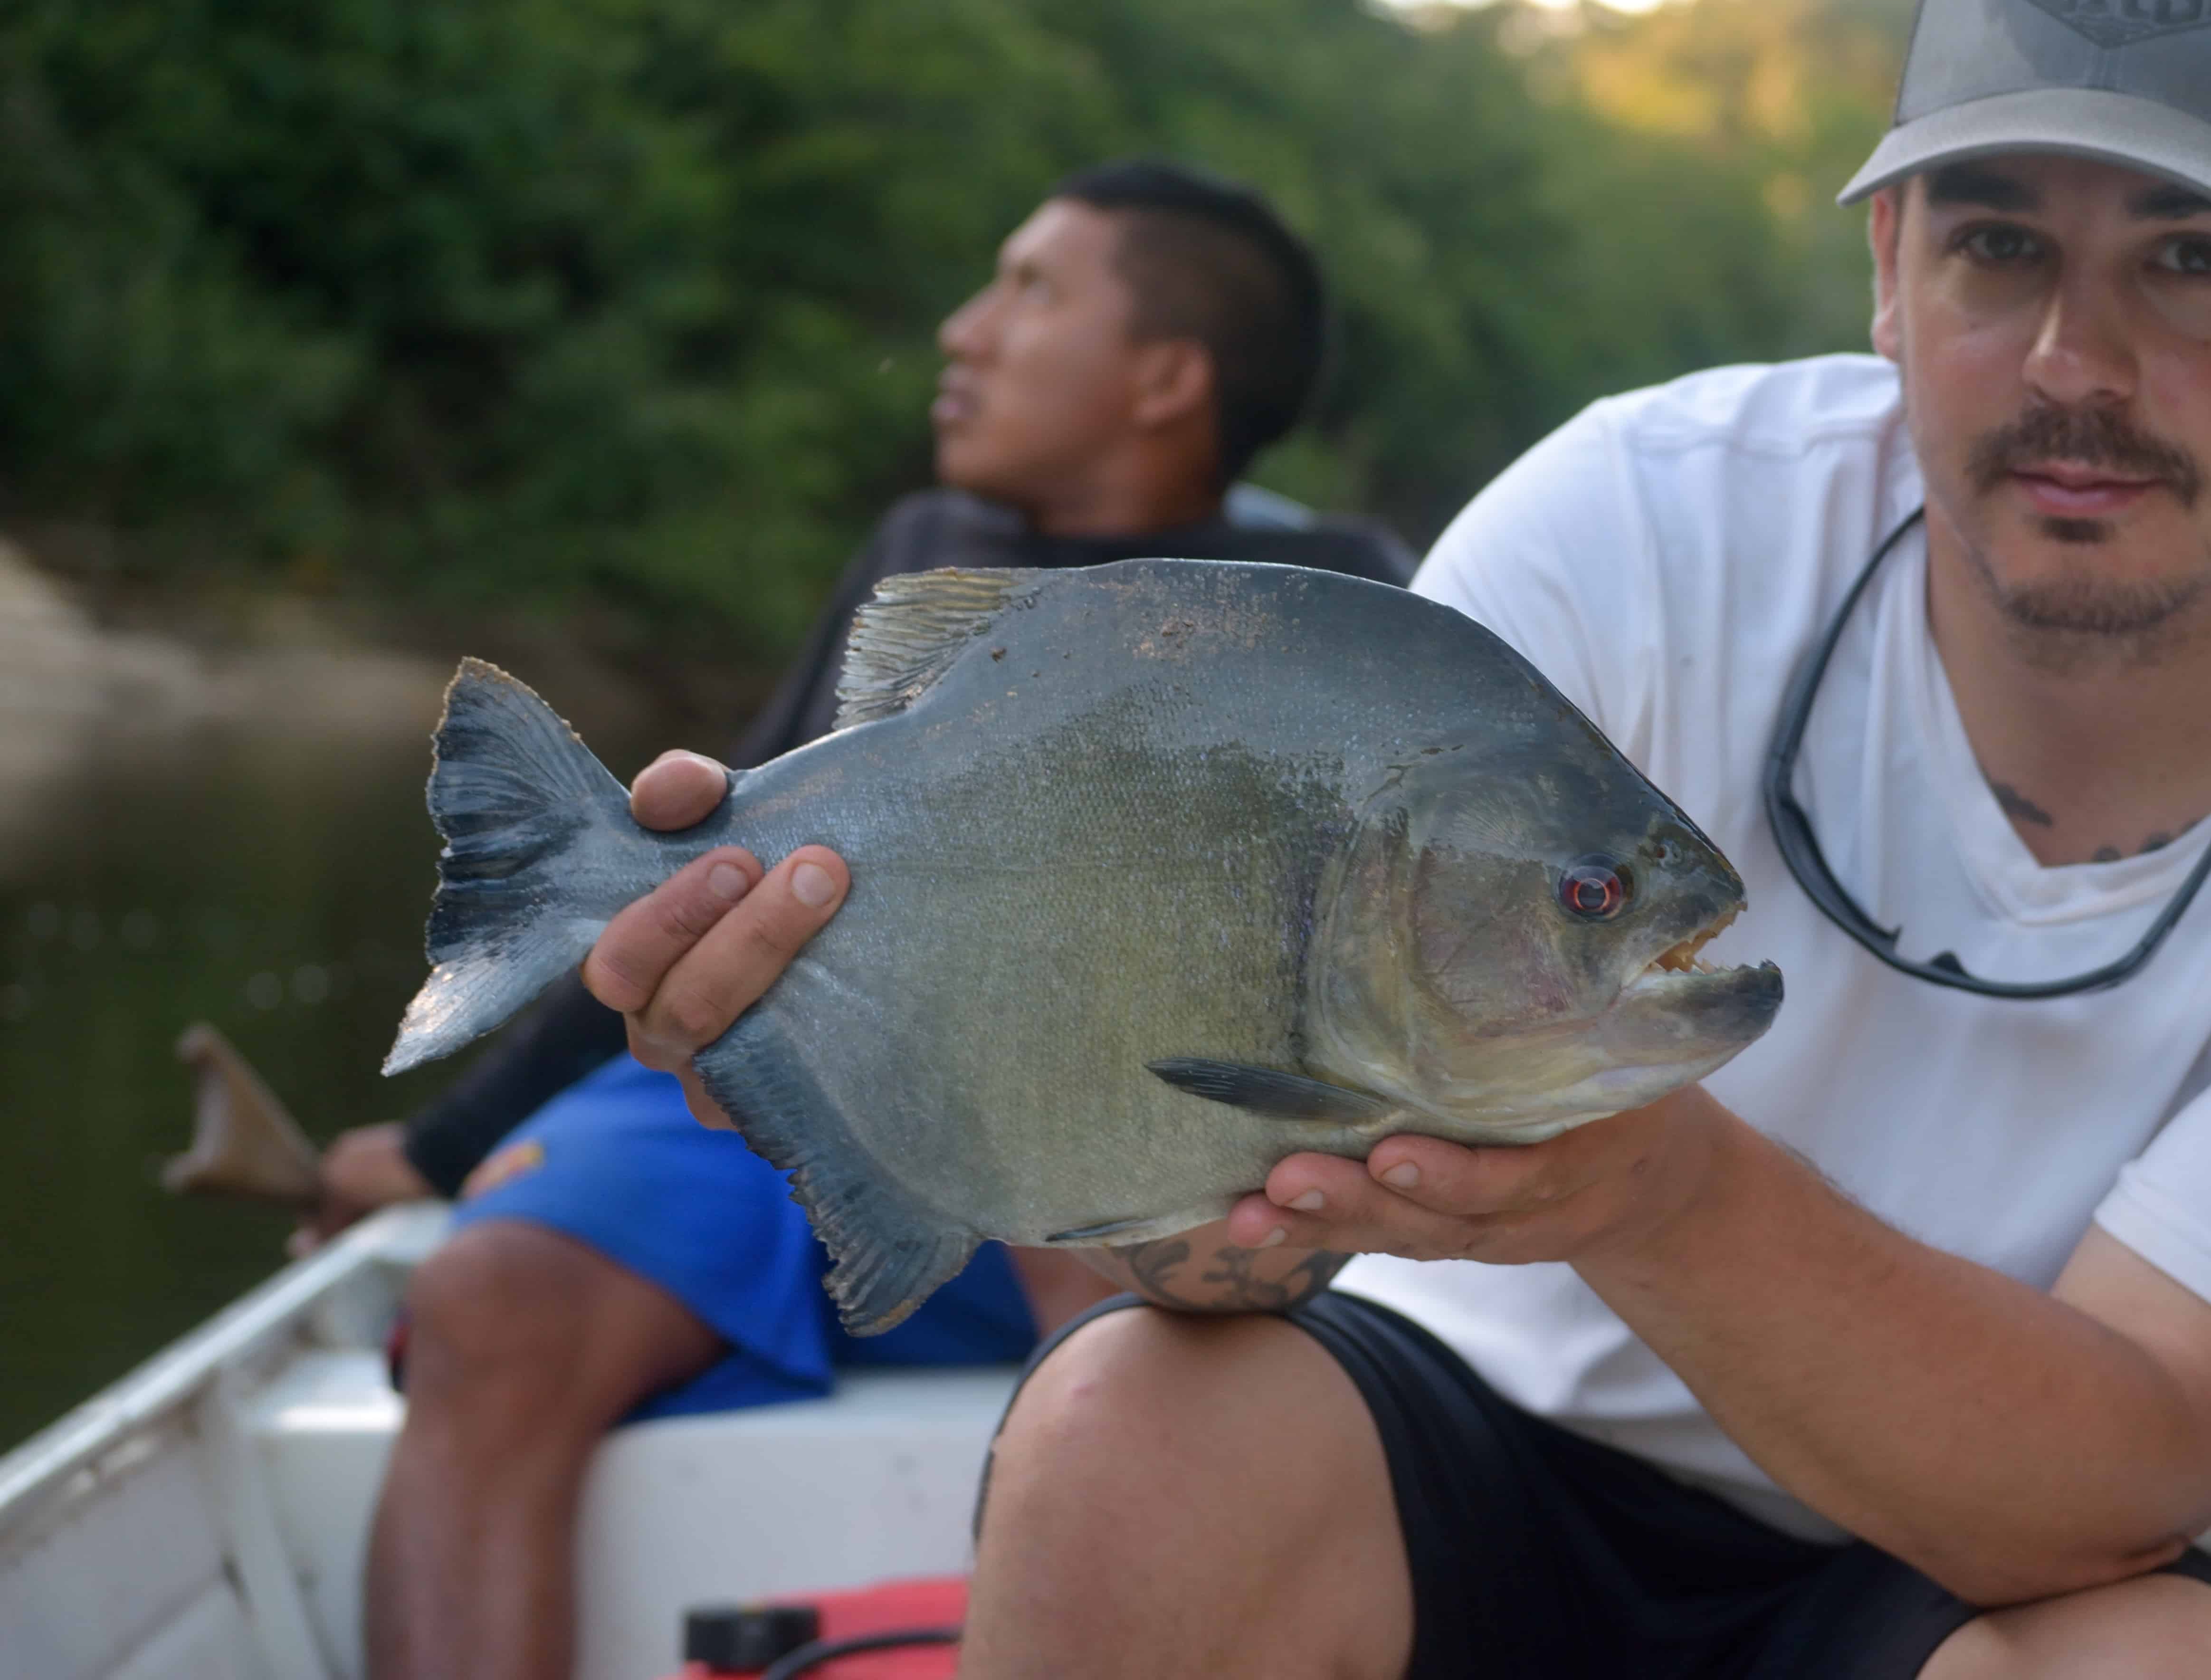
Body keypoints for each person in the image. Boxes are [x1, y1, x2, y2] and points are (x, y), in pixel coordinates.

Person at [589, 0, 2211, 1680]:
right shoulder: (1633, 523)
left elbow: (2114, 1467)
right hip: (1466, 1431)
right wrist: (901, 1072)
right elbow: (1233, 1232)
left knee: (2151, 1664)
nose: (2078, 364)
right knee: (1129, 1426)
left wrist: (1657, 1181)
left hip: (1986, 1558)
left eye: (2195, 260)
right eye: (1998, 244)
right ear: (1887, 268)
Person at [318, 158, 1414, 1680]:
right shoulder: (922, 545)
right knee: (486, 1294)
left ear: (1168, 377)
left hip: (1144, 1137)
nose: (964, 331)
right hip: (820, 1061)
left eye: (1030, 290)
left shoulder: (1344, 602)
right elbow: (703, 881)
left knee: (1105, 1287)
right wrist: (434, 1155)